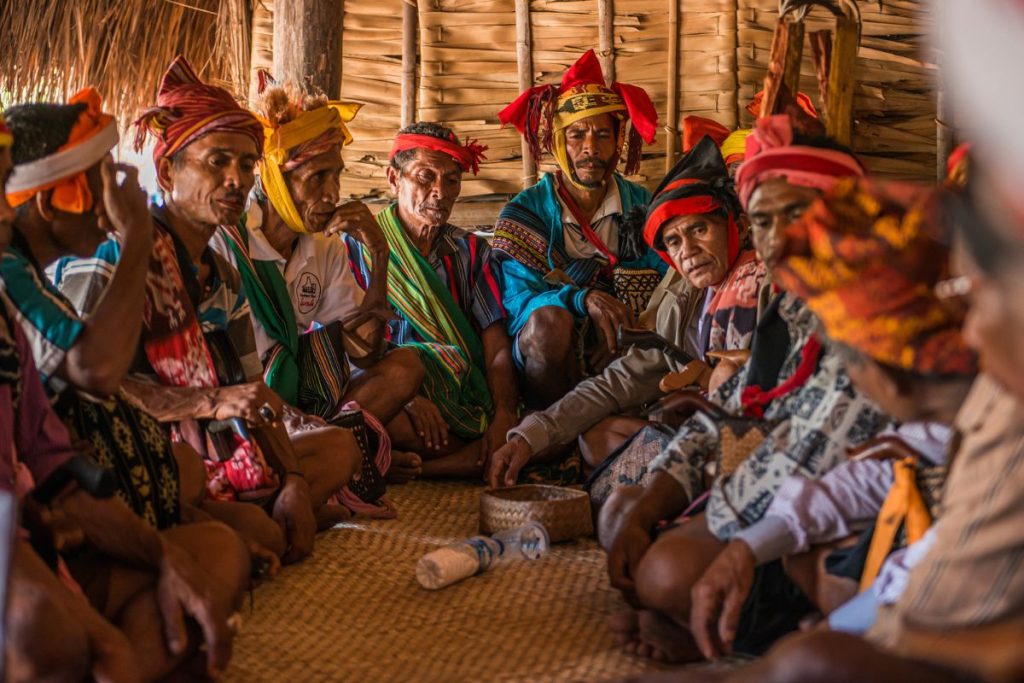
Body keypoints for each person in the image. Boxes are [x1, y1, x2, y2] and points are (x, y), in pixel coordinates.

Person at [601, 113, 887, 663]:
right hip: (765, 493)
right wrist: (652, 505)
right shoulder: (789, 307)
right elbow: (727, 414)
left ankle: (725, 621)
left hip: (829, 519)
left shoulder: (875, 324)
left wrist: (714, 524)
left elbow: (814, 458)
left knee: (664, 572)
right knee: (624, 513)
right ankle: (695, 608)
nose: (779, 240)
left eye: (797, 215)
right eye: (764, 222)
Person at [54, 56, 359, 562]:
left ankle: (249, 512)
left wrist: (295, 480)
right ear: (167, 170)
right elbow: (78, 388)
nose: (236, 180)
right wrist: (205, 403)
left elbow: (253, 392)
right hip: (142, 445)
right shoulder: (117, 256)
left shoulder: (224, 274)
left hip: (217, 440)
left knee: (338, 448)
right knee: (229, 514)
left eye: (246, 164)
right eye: (216, 162)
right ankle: (233, 521)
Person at [685, 178, 978, 662]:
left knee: (824, 583)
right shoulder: (947, 413)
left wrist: (834, 636)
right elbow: (864, 478)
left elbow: (941, 559)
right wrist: (746, 548)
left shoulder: (999, 429)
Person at [0, 105, 245, 683]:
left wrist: (163, 557)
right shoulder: (15, 272)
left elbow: (52, 456)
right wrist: (137, 236)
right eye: (100, 181)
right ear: (47, 203)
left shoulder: (15, 294)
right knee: (44, 631)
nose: (114, 199)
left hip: (56, 510)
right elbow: (99, 371)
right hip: (28, 532)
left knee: (217, 549)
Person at [487, 135, 770, 487]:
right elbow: (618, 382)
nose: (689, 251)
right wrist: (528, 437)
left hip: (762, 434)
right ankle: (678, 475)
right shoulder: (683, 298)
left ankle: (690, 484)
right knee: (595, 438)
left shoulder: (761, 282)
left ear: (737, 227)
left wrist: (706, 390)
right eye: (674, 242)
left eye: (699, 230)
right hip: (703, 428)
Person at [210, 76, 425, 483]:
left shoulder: (324, 246)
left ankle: (336, 455)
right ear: (275, 181)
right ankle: (352, 456)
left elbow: (365, 352)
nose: (333, 193)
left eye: (336, 176)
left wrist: (379, 257)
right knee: (395, 430)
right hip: (244, 399)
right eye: (317, 178)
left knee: (406, 369)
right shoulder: (229, 242)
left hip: (302, 396)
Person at [492, 49, 668, 407]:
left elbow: (671, 278)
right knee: (549, 326)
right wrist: (583, 298)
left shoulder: (641, 205)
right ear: (558, 142)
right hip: (553, 359)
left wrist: (632, 330)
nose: (591, 149)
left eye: (603, 135)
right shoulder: (525, 213)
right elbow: (518, 302)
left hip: (626, 346)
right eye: (576, 135)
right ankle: (555, 429)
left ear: (618, 141)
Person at [345, 122, 520, 479]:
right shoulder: (357, 248)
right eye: (426, 176)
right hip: (389, 392)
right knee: (377, 416)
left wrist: (505, 414)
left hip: (457, 399)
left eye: (452, 180)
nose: (440, 191)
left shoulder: (470, 252)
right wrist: (408, 398)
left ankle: (392, 464)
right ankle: (443, 463)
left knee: (503, 429)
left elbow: (496, 347)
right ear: (394, 179)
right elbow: (342, 343)